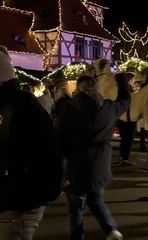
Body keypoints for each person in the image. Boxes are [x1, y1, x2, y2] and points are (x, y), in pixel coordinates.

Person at [54, 75, 130, 240]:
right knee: (95, 199)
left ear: (78, 89)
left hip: (76, 167)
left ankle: (77, 236)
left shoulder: (68, 109)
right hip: (98, 166)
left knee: (76, 208)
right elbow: (125, 101)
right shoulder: (108, 108)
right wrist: (122, 82)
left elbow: (60, 141)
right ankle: (111, 229)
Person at [0, 45, 64, 240]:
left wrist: (47, 190)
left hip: (19, 200)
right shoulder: (17, 107)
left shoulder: (23, 109)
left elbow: (47, 155)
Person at [116, 72, 138, 166]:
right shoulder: (127, 91)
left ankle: (122, 157)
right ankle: (124, 158)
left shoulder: (118, 90)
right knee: (128, 139)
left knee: (124, 139)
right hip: (129, 118)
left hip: (121, 119)